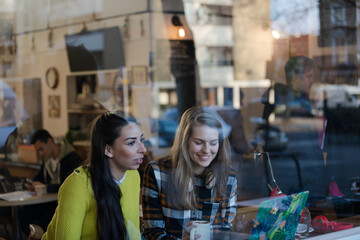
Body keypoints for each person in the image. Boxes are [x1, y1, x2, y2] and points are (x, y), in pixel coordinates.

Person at [142, 106, 252, 240]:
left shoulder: (228, 177)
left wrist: (236, 233)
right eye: (199, 142)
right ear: (185, 141)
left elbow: (223, 231)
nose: (206, 150)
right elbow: (152, 232)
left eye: (213, 143)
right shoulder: (157, 172)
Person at [42, 111, 146, 239]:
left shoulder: (133, 176)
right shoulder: (78, 184)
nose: (143, 149)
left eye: (142, 140)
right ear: (108, 150)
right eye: (131, 143)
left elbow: (133, 233)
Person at [20, 129, 83, 237]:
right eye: (38, 151)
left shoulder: (71, 158)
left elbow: (69, 185)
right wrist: (32, 183)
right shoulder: (48, 160)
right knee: (23, 214)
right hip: (49, 201)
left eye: (41, 149)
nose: (40, 153)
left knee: (44, 219)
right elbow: (38, 177)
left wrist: (46, 187)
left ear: (49, 141)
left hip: (63, 203)